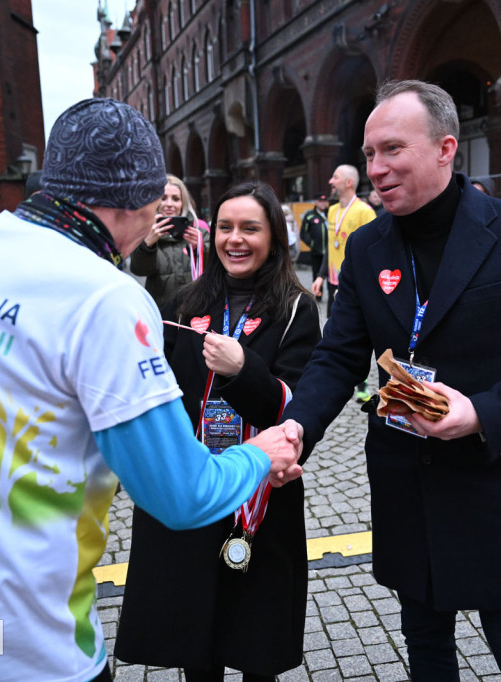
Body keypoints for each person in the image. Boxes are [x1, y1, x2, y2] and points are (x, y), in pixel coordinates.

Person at [0, 98, 302, 682]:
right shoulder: (104, 296)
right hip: (30, 645)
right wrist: (260, 454)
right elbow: (182, 495)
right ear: (137, 201)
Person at [283, 80, 501, 681]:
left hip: (492, 486)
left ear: (445, 148)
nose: (376, 169)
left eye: (392, 150)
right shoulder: (367, 247)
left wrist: (480, 413)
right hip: (407, 490)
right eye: (370, 153)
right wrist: (295, 427)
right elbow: (336, 356)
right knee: (426, 649)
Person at [116, 181, 320, 681]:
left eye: (250, 228)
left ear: (273, 236)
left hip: (258, 495)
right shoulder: (187, 303)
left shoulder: (296, 309)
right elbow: (160, 396)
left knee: (255, 639)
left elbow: (295, 408)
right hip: (195, 486)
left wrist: (241, 368)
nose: (235, 239)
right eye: (225, 227)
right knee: (196, 639)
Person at [314, 164, 376, 403]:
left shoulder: (365, 212)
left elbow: (371, 253)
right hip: (333, 283)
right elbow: (331, 248)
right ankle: (338, 381)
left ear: (349, 182)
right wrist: (320, 275)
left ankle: (363, 386)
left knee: (360, 335)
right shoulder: (331, 212)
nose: (330, 181)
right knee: (336, 332)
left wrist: (353, 282)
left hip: (356, 287)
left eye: (335, 177)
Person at [130, 173, 209, 310]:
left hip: (197, 309)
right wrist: (148, 245)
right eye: (163, 198)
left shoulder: (199, 233)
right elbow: (139, 270)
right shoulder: (145, 233)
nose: (169, 204)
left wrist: (199, 249)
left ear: (183, 203)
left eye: (176, 199)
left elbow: (214, 268)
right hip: (162, 311)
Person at [299, 193, 329, 300]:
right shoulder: (310, 215)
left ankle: (333, 297)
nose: (322, 203)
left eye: (324, 201)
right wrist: (311, 243)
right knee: (317, 273)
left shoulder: (330, 213)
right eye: (320, 201)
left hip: (330, 251)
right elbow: (303, 233)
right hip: (316, 251)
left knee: (331, 276)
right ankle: (318, 295)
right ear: (316, 203)